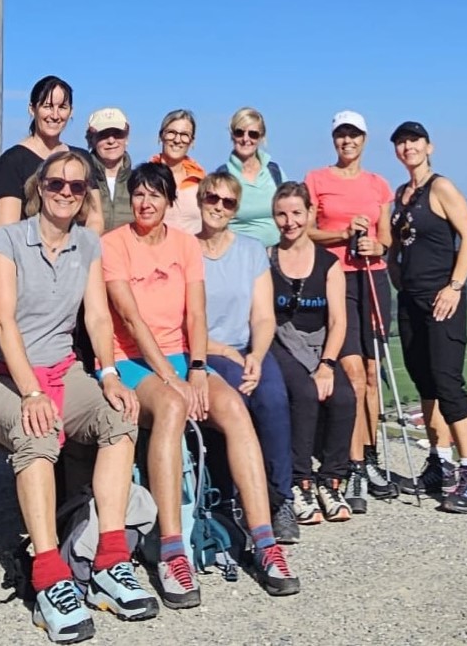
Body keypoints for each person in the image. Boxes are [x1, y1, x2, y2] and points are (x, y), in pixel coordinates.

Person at [0, 151, 158, 643]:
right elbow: (3, 322)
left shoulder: (87, 244)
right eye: (56, 184)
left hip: (62, 371)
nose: (65, 192)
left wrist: (109, 374)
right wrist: (29, 391)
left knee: (118, 416)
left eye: (76, 186)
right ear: (38, 188)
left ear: (86, 192)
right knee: (37, 431)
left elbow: (96, 318)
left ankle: (110, 558)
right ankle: (49, 576)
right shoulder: (7, 240)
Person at [101, 162, 299, 608]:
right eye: (139, 194)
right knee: (171, 408)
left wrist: (194, 368)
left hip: (180, 356)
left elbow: (196, 311)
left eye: (156, 195)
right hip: (129, 359)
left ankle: (265, 541)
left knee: (234, 410)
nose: (146, 202)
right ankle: (174, 550)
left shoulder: (184, 246)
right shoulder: (113, 245)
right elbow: (130, 319)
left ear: (171, 202)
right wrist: (173, 379)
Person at [195, 172, 298, 544]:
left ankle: (280, 497)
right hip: (206, 351)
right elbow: (179, 319)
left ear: (235, 209)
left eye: (227, 202)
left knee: (273, 398)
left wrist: (256, 354)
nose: (218, 207)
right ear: (200, 200)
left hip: (247, 347)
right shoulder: (185, 251)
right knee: (235, 400)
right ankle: (235, 497)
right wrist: (220, 351)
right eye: (212, 199)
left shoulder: (251, 250)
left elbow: (263, 315)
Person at [389, 121, 467, 513]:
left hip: (442, 299)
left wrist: (455, 286)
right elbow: (396, 244)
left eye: (414, 140)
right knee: (426, 383)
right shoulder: (402, 194)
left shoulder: (441, 188)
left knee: (448, 385)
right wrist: (396, 277)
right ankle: (440, 463)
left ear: (429, 146)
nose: (408, 147)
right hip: (411, 302)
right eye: (401, 142)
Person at [304, 110, 396, 513]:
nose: (347, 141)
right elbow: (307, 230)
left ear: (364, 139)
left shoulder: (379, 184)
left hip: (372, 278)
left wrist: (377, 246)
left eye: (354, 135)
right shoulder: (317, 180)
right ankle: (353, 462)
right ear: (333, 139)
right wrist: (344, 234)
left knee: (373, 374)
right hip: (337, 279)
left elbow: (387, 237)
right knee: (354, 374)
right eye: (341, 135)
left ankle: (371, 455)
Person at [269, 182, 356, 524]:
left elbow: (338, 321)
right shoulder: (267, 259)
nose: (289, 221)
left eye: (295, 213)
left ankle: (332, 479)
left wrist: (327, 366)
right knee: (303, 394)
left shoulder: (328, 265)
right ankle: (298, 481)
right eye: (281, 214)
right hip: (279, 341)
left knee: (345, 397)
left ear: (309, 214)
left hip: (320, 343)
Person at [0, 75, 103, 232]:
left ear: (71, 111)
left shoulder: (82, 158)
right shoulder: (12, 161)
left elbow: (95, 218)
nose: (55, 115)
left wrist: (82, 251)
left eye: (62, 107)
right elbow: (7, 230)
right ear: (32, 109)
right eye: (48, 106)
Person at [217, 107, 285, 248]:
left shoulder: (275, 172)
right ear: (232, 135)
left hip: (278, 256)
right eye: (239, 132)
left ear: (261, 137)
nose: (245, 139)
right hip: (239, 258)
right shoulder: (223, 176)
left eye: (253, 134)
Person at [148, 109, 205, 234]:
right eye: (171, 133)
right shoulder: (146, 179)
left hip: (194, 251)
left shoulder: (201, 181)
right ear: (161, 136)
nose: (177, 140)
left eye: (184, 135)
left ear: (192, 142)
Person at [86, 107, 133, 233]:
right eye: (103, 135)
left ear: (126, 138)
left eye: (117, 134)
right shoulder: (80, 179)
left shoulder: (139, 181)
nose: (111, 141)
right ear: (91, 139)